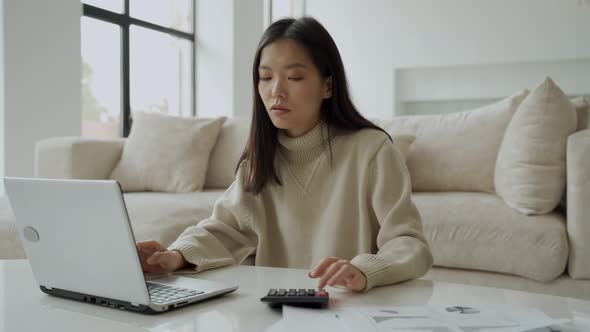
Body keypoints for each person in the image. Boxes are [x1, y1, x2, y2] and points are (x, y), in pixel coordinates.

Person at [137, 16, 432, 292]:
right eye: (265, 77)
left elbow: (409, 242)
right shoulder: (259, 162)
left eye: (294, 78)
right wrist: (174, 255)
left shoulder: (372, 151)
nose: (276, 91)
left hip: (350, 311)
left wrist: (364, 270)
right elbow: (223, 230)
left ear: (327, 85)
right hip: (279, 312)